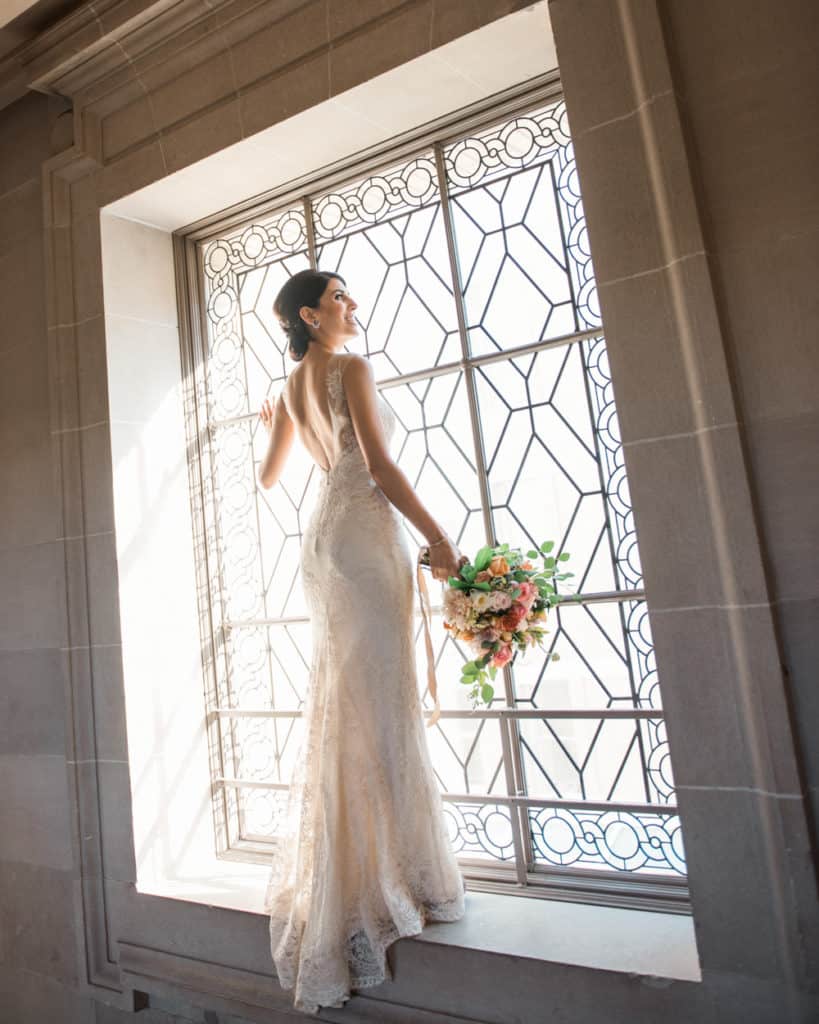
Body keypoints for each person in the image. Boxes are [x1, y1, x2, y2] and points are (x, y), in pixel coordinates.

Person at [257, 268, 467, 1014]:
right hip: (365, 537)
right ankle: (399, 879)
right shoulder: (350, 367)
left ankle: (360, 870)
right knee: (379, 699)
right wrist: (438, 537)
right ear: (311, 317)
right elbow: (377, 466)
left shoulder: (288, 389)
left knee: (349, 698)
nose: (353, 306)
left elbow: (268, 476)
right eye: (340, 298)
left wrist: (271, 418)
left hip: (324, 543)